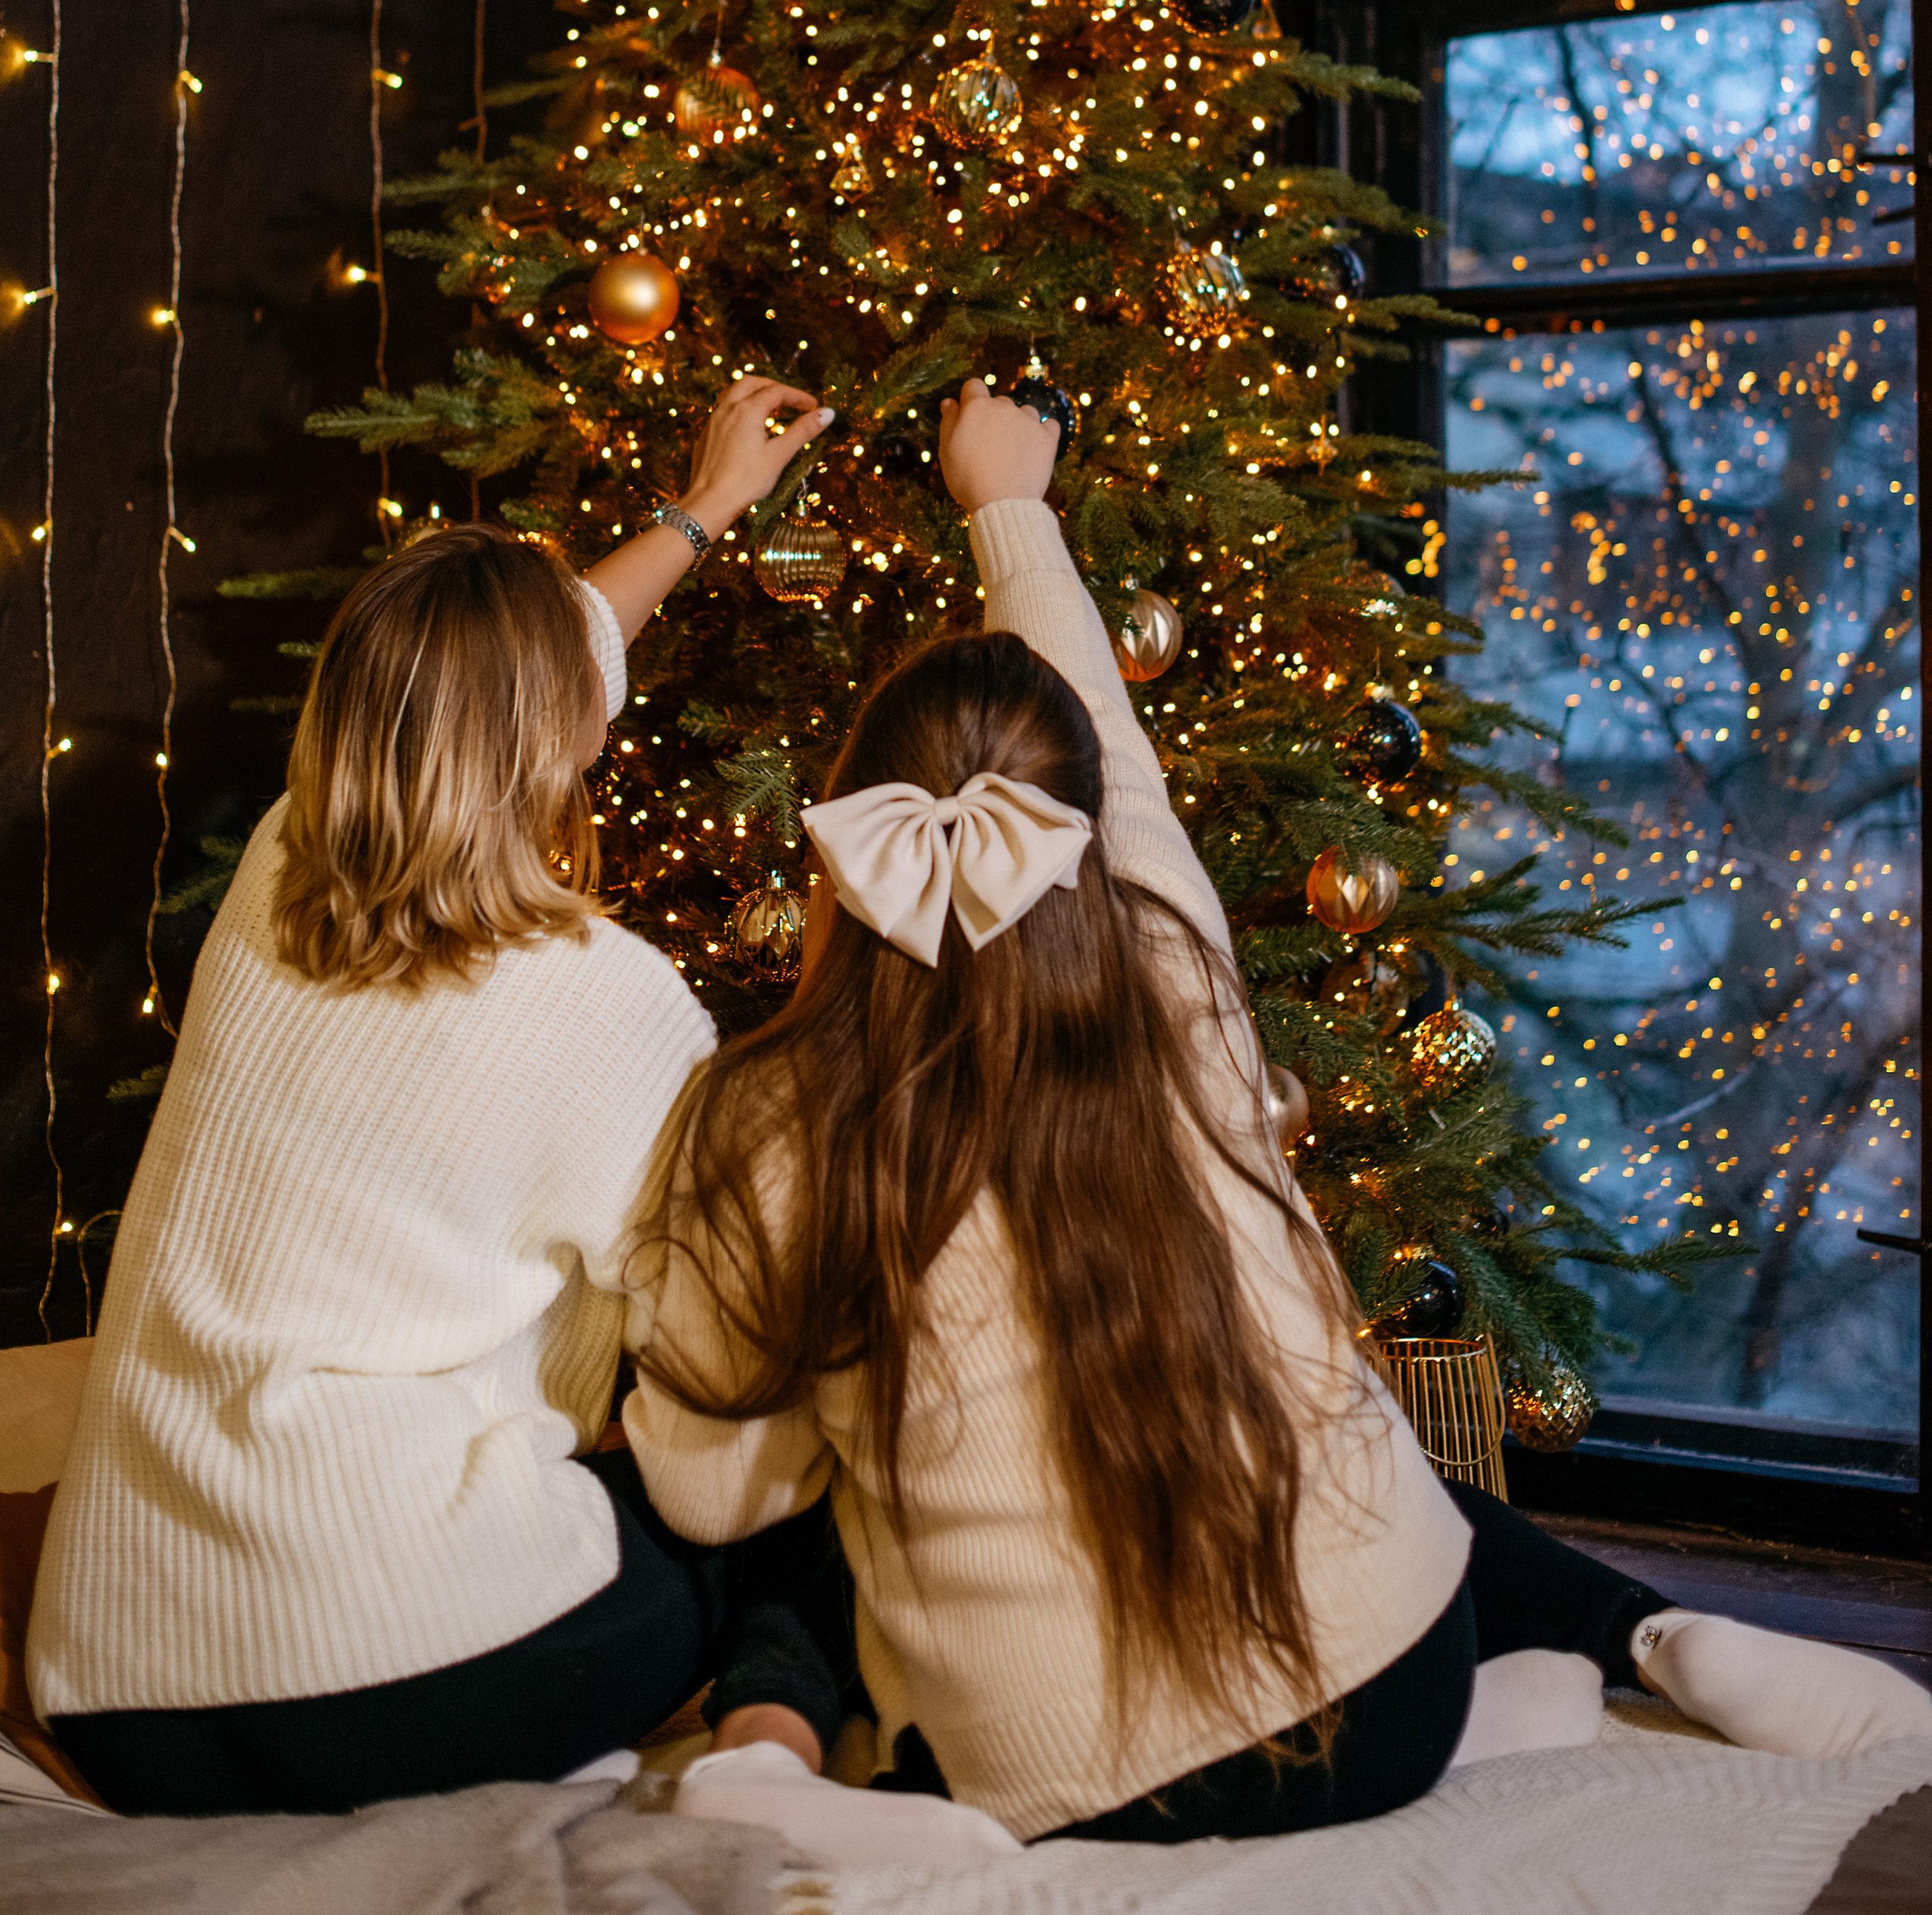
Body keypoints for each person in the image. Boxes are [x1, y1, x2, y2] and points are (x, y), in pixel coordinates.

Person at [628, 380, 1932, 1850]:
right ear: (1072, 827)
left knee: (813, 1493)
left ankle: (771, 1760)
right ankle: (1645, 1642)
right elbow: (1113, 755)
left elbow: (706, 1478)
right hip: (1391, 1692)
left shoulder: (761, 1114)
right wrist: (1007, 504)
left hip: (1064, 1779)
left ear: (852, 839)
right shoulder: (1178, 972)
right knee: (1339, 1421)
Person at [29, 377, 865, 1820]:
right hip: (378, 1678)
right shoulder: (614, 1004)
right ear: (555, 745)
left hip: (115, 1695)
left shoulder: (280, 877)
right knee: (793, 1490)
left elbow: (544, 671)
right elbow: (723, 1372)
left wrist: (701, 510)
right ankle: (768, 1761)